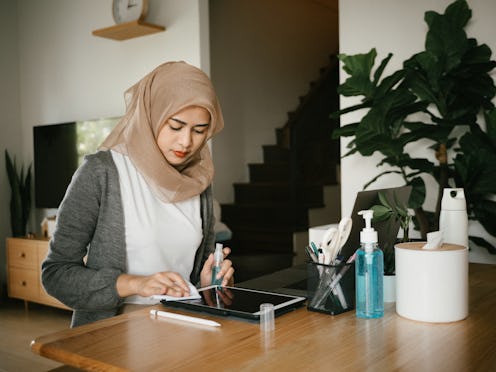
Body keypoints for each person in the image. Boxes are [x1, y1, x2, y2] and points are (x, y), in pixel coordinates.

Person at [42, 61, 234, 327]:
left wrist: (208, 284)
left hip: (184, 327)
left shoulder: (198, 181)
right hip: (114, 333)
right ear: (151, 116)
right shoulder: (102, 172)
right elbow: (55, 274)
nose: (187, 142)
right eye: (175, 126)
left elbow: (197, 276)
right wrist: (134, 284)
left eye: (199, 131)